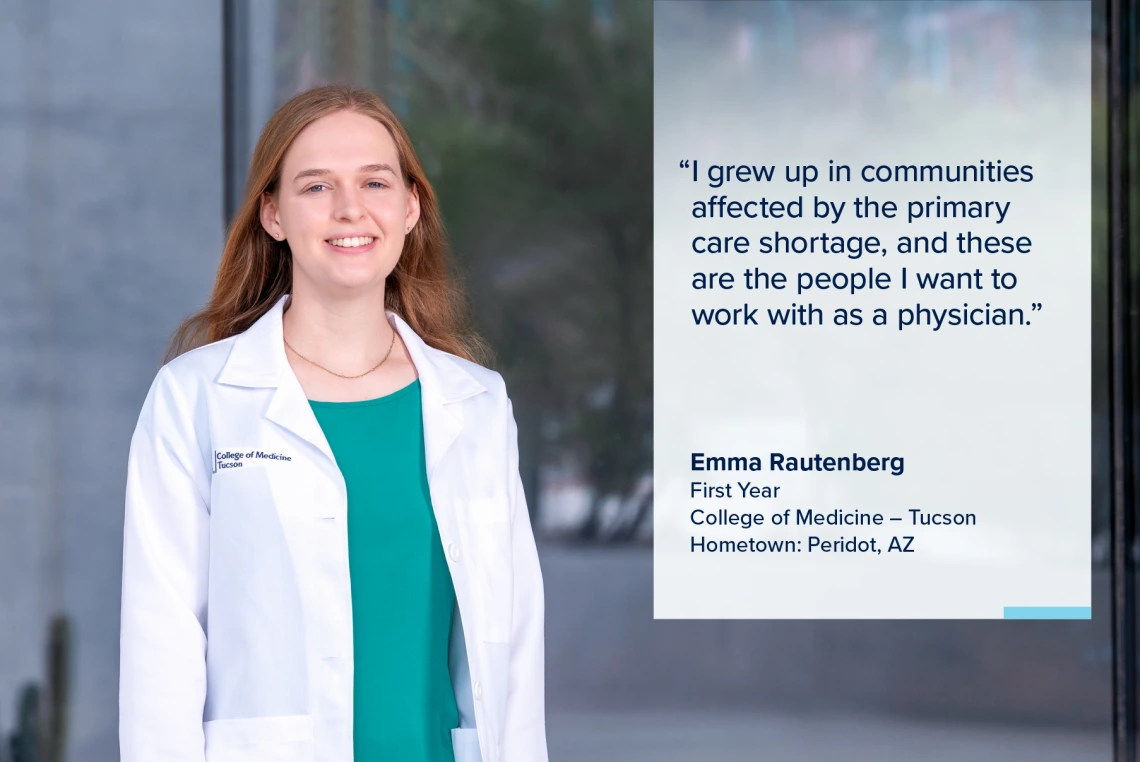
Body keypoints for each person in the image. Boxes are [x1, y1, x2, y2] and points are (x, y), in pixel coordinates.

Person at [118, 84, 547, 762]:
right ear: (274, 214)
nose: (351, 209)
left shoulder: (475, 404)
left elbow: (511, 642)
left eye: (375, 182)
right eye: (316, 186)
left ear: (409, 208)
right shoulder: (195, 398)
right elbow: (160, 645)